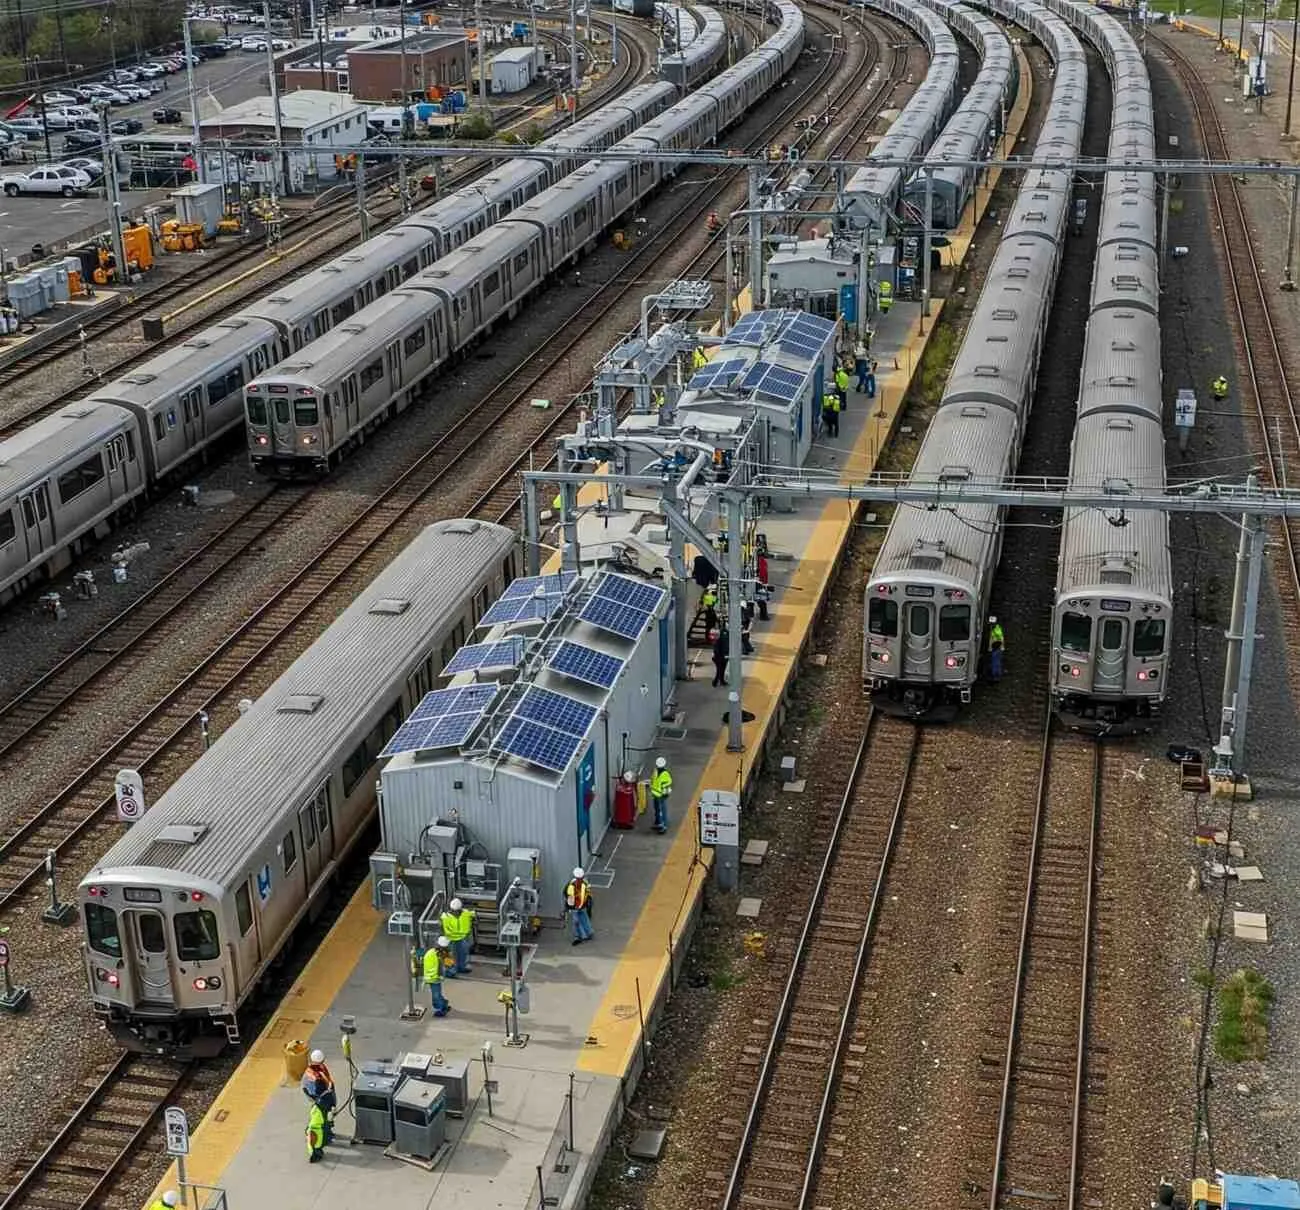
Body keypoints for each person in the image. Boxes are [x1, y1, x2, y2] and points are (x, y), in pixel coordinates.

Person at [301, 1049, 336, 1141]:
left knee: (324, 1116)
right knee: (323, 1116)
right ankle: (323, 1134)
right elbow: (318, 1090)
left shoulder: (313, 1069)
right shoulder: (315, 1076)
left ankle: (327, 1132)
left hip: (319, 1097)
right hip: (320, 1099)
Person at [440, 898, 474, 975]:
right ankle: (450, 971)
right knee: (449, 956)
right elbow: (441, 928)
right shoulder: (445, 917)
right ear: (451, 909)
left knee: (463, 954)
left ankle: (462, 967)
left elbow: (472, 914)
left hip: (462, 937)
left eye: (458, 911)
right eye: (455, 911)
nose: (457, 913)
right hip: (450, 939)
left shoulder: (466, 913)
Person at [423, 936, 452, 1016]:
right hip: (434, 978)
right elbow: (448, 964)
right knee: (436, 994)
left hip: (433, 978)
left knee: (436, 995)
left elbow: (448, 964)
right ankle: (442, 1005)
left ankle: (442, 1007)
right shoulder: (441, 954)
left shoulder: (433, 952)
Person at [565, 867, 594, 945]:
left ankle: (589, 933)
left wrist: (589, 905)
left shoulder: (585, 884)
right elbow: (568, 896)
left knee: (584, 919)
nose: (580, 880)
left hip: (582, 905)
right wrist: (569, 907)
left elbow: (588, 895)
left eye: (581, 878)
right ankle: (578, 937)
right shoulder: (571, 886)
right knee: (576, 922)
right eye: (578, 878)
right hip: (575, 907)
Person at [650, 757, 673, 834]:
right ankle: (658, 823)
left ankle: (664, 826)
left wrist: (664, 794)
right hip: (656, 795)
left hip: (661, 796)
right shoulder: (656, 772)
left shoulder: (665, 774)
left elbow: (667, 786)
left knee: (662, 810)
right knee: (657, 809)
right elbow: (653, 780)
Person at [307, 1099, 327, 1163]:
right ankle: (317, 1153)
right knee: (317, 1144)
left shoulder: (314, 1109)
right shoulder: (318, 1110)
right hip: (317, 1128)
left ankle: (317, 1153)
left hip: (314, 1127)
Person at [988, 615, 1005, 682]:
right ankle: (996, 675)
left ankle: (995, 676)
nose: (990, 625)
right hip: (997, 648)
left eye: (991, 624)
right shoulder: (995, 629)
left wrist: (991, 647)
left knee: (995, 662)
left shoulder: (996, 630)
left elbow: (1000, 639)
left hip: (996, 648)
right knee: (996, 662)